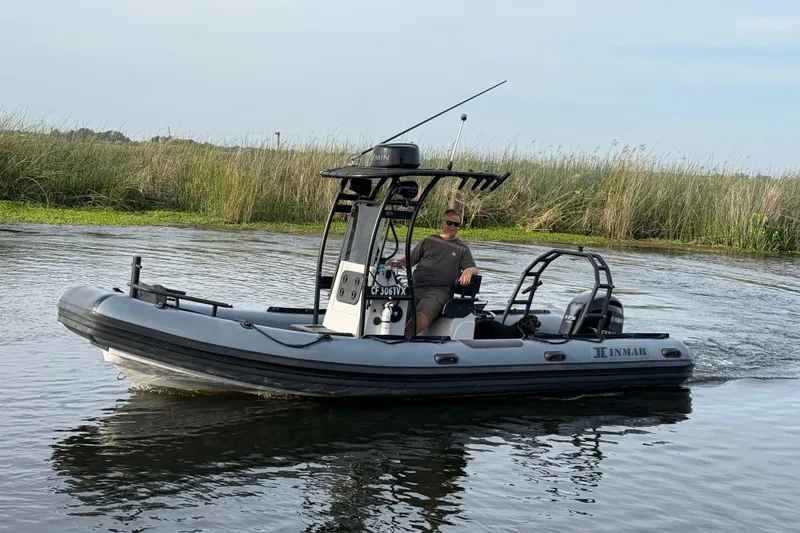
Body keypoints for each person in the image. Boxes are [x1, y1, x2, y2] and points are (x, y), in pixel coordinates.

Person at [388, 209, 478, 336]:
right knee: (393, 314)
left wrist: (468, 272)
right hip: (415, 288)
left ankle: (404, 339)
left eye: (456, 224)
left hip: (439, 292)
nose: (452, 227)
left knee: (415, 322)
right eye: (449, 223)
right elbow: (410, 260)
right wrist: (395, 262)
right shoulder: (429, 241)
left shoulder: (462, 248)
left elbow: (473, 268)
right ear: (443, 223)